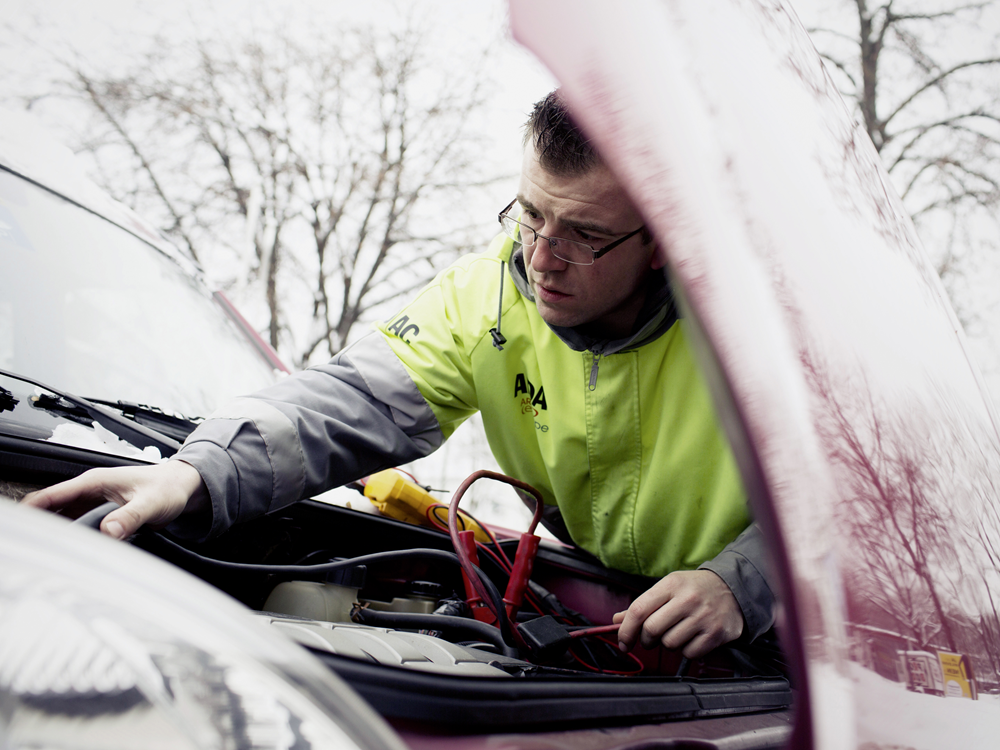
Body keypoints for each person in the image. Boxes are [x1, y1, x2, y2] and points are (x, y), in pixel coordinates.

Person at [23, 91, 775, 659]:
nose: (542, 257)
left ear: (662, 242)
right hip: (591, 609)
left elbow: (859, 495)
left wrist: (739, 583)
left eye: (584, 234)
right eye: (531, 214)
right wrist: (195, 474)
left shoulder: (757, 333)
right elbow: (349, 402)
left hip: (762, 641)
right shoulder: (484, 297)